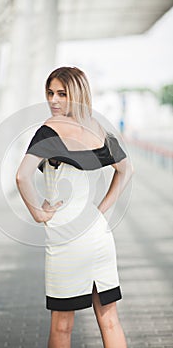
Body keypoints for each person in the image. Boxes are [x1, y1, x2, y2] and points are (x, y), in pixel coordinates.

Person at [16, 66, 134, 348]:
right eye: (50, 93)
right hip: (98, 233)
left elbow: (22, 176)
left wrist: (39, 212)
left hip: (66, 235)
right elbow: (127, 170)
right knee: (109, 319)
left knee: (62, 326)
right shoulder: (98, 128)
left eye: (62, 94)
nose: (54, 100)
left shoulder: (50, 129)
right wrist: (101, 210)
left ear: (77, 95)